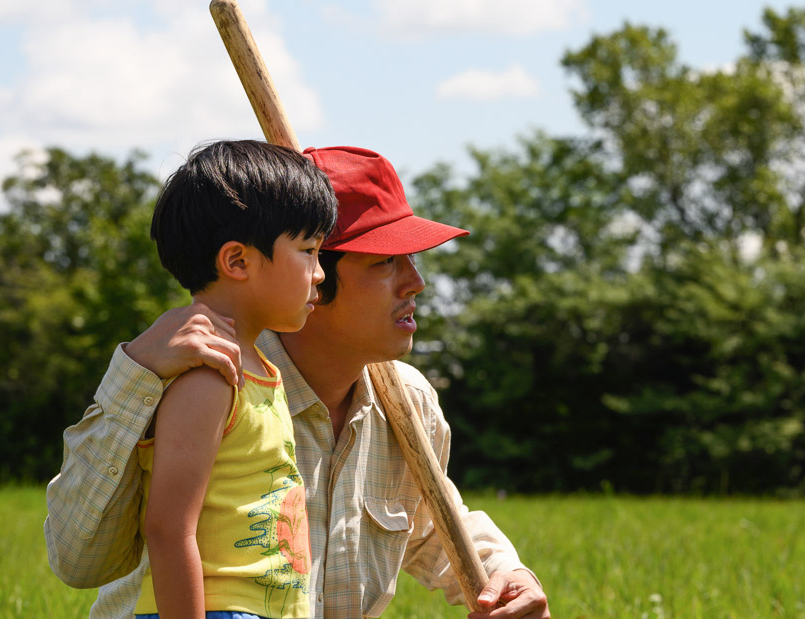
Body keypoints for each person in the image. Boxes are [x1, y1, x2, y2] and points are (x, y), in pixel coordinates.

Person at [45, 145, 551, 619]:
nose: (415, 282)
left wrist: (505, 573)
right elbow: (77, 560)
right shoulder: (202, 372)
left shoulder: (410, 402)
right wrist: (134, 374)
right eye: (383, 263)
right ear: (316, 274)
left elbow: (431, 523)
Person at [136, 139, 337, 618]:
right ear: (238, 262)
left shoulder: (262, 370)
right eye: (308, 251)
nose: (320, 274)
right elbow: (168, 528)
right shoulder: (207, 378)